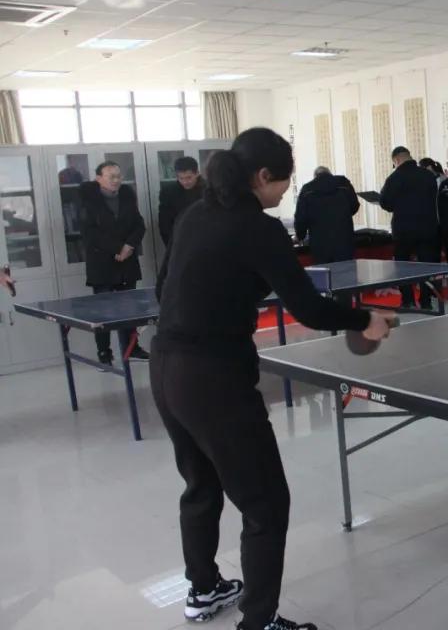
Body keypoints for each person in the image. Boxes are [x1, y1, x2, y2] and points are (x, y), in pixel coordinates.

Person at [151, 128, 394, 630]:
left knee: (201, 484)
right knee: (265, 503)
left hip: (167, 366)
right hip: (214, 378)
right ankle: (259, 622)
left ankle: (203, 589)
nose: (286, 190)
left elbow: (163, 287)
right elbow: (308, 308)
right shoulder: (257, 228)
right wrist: (363, 319)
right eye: (284, 180)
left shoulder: (194, 214)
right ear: (263, 176)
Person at [79, 162, 149, 365]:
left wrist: (129, 246)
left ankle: (131, 348)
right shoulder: (89, 199)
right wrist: (118, 248)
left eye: (119, 176)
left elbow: (139, 225)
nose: (116, 180)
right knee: (103, 312)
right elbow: (90, 233)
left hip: (127, 261)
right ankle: (104, 354)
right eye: (111, 176)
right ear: (99, 178)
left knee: (130, 309)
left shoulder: (127, 194)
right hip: (102, 263)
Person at [379, 147, 439, 309]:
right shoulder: (428, 175)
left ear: (396, 160)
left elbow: (385, 202)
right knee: (426, 267)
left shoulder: (394, 178)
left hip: (403, 230)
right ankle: (426, 301)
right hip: (427, 228)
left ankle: (408, 300)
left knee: (403, 267)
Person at [419, 158, 448, 302]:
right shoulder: (423, 185)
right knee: (433, 262)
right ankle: (435, 293)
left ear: (430, 167)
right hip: (432, 228)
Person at [293, 166, 360, 265]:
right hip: (344, 240)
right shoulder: (343, 184)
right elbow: (355, 205)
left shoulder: (307, 189)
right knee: (347, 271)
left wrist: (300, 235)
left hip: (319, 244)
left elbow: (301, 218)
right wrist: (343, 216)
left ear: (315, 176)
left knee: (324, 272)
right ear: (330, 173)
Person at [159, 156, 205, 246]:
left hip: (205, 241)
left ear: (197, 173)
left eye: (189, 177)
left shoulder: (209, 190)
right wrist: (172, 247)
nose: (185, 182)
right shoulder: (168, 192)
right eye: (181, 178)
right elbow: (165, 224)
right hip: (178, 242)